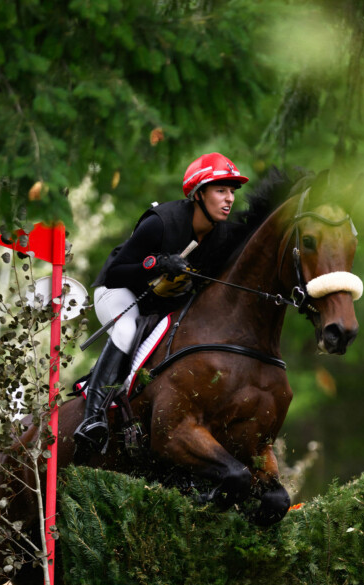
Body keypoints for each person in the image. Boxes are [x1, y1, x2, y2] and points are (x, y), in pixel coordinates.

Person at [74, 152, 250, 452]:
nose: (229, 199)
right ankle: (92, 418)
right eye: (221, 190)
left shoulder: (223, 235)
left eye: (232, 192)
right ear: (199, 194)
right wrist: (156, 264)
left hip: (161, 307)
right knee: (126, 330)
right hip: (119, 294)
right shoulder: (160, 223)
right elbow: (116, 272)